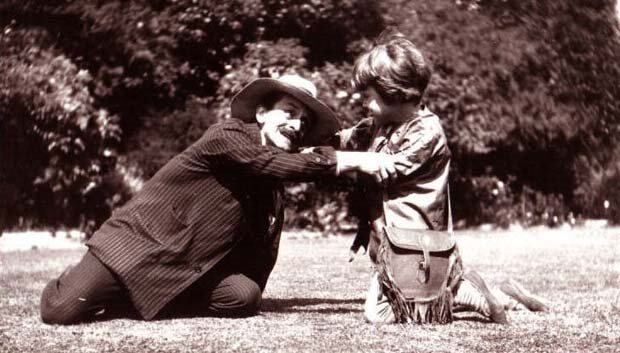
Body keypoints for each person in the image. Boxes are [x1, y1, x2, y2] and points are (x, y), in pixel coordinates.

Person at [40, 74, 411, 324]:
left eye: (303, 121)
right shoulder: (227, 136)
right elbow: (274, 162)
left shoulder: (273, 178)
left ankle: (138, 299)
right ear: (262, 114)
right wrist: (358, 160)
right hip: (135, 247)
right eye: (289, 112)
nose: (297, 124)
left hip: (185, 265)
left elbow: (271, 217)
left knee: (244, 297)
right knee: (59, 309)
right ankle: (112, 286)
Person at [336, 30, 549, 324]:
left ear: (396, 93)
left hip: (418, 245)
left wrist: (347, 161)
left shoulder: (427, 131)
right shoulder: (378, 125)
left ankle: (467, 292)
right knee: (402, 307)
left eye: (368, 96)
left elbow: (385, 169)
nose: (361, 102)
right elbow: (341, 139)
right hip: (392, 247)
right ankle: (504, 296)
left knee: (381, 314)